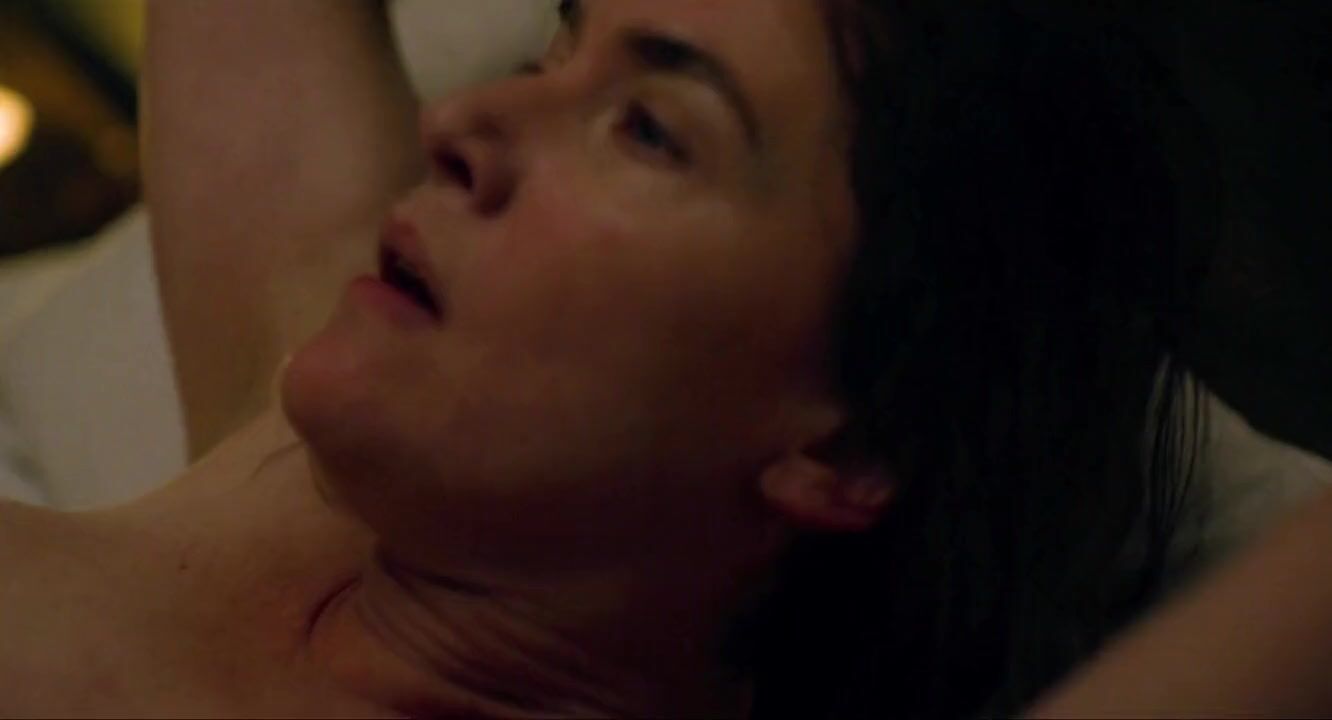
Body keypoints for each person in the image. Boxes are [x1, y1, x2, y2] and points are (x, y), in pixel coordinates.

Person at [1, 0, 1327, 717]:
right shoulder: (304, 440)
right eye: (555, 47)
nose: (463, 119)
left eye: (648, 128)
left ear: (852, 441)